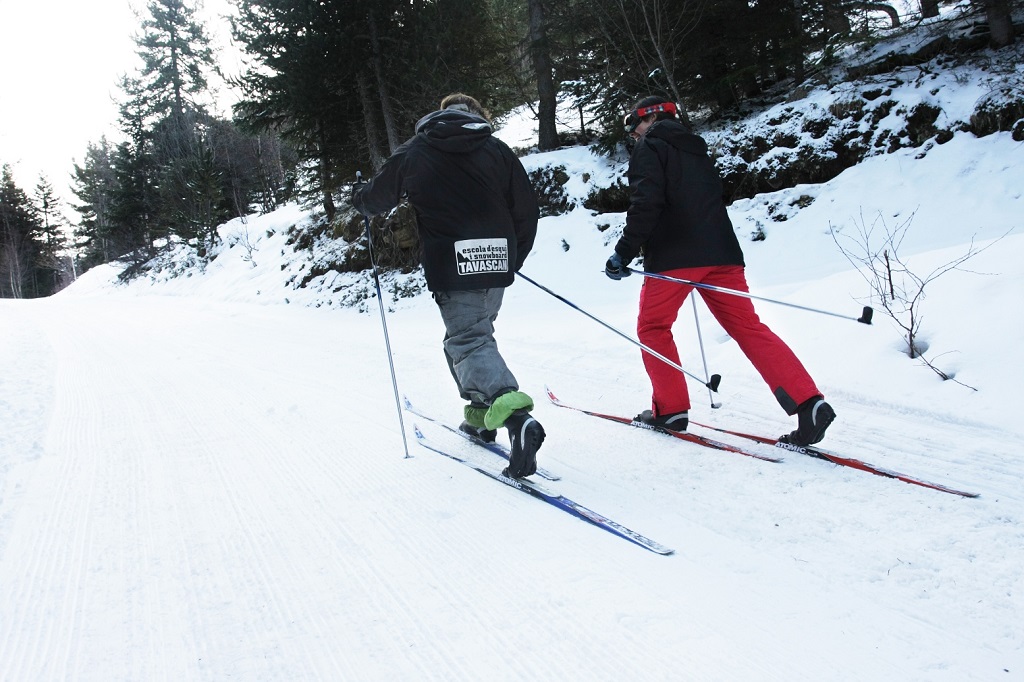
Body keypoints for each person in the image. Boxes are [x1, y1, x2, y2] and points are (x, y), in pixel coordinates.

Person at [604, 95, 835, 446]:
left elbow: (646, 202)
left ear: (647, 119)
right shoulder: (696, 147)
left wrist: (624, 251)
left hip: (674, 258)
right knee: (748, 328)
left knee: (653, 327)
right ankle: (808, 402)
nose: (634, 135)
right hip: (723, 254)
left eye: (634, 128)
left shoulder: (651, 147)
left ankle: (671, 408)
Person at [352, 93, 544, 477]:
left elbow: (377, 199)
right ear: (476, 114)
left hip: (454, 263)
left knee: (468, 340)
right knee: (471, 337)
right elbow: (526, 210)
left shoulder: (417, 149)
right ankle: (479, 418)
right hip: (496, 259)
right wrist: (512, 259)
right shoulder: (496, 149)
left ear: (441, 114)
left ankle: (514, 413)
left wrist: (360, 197)